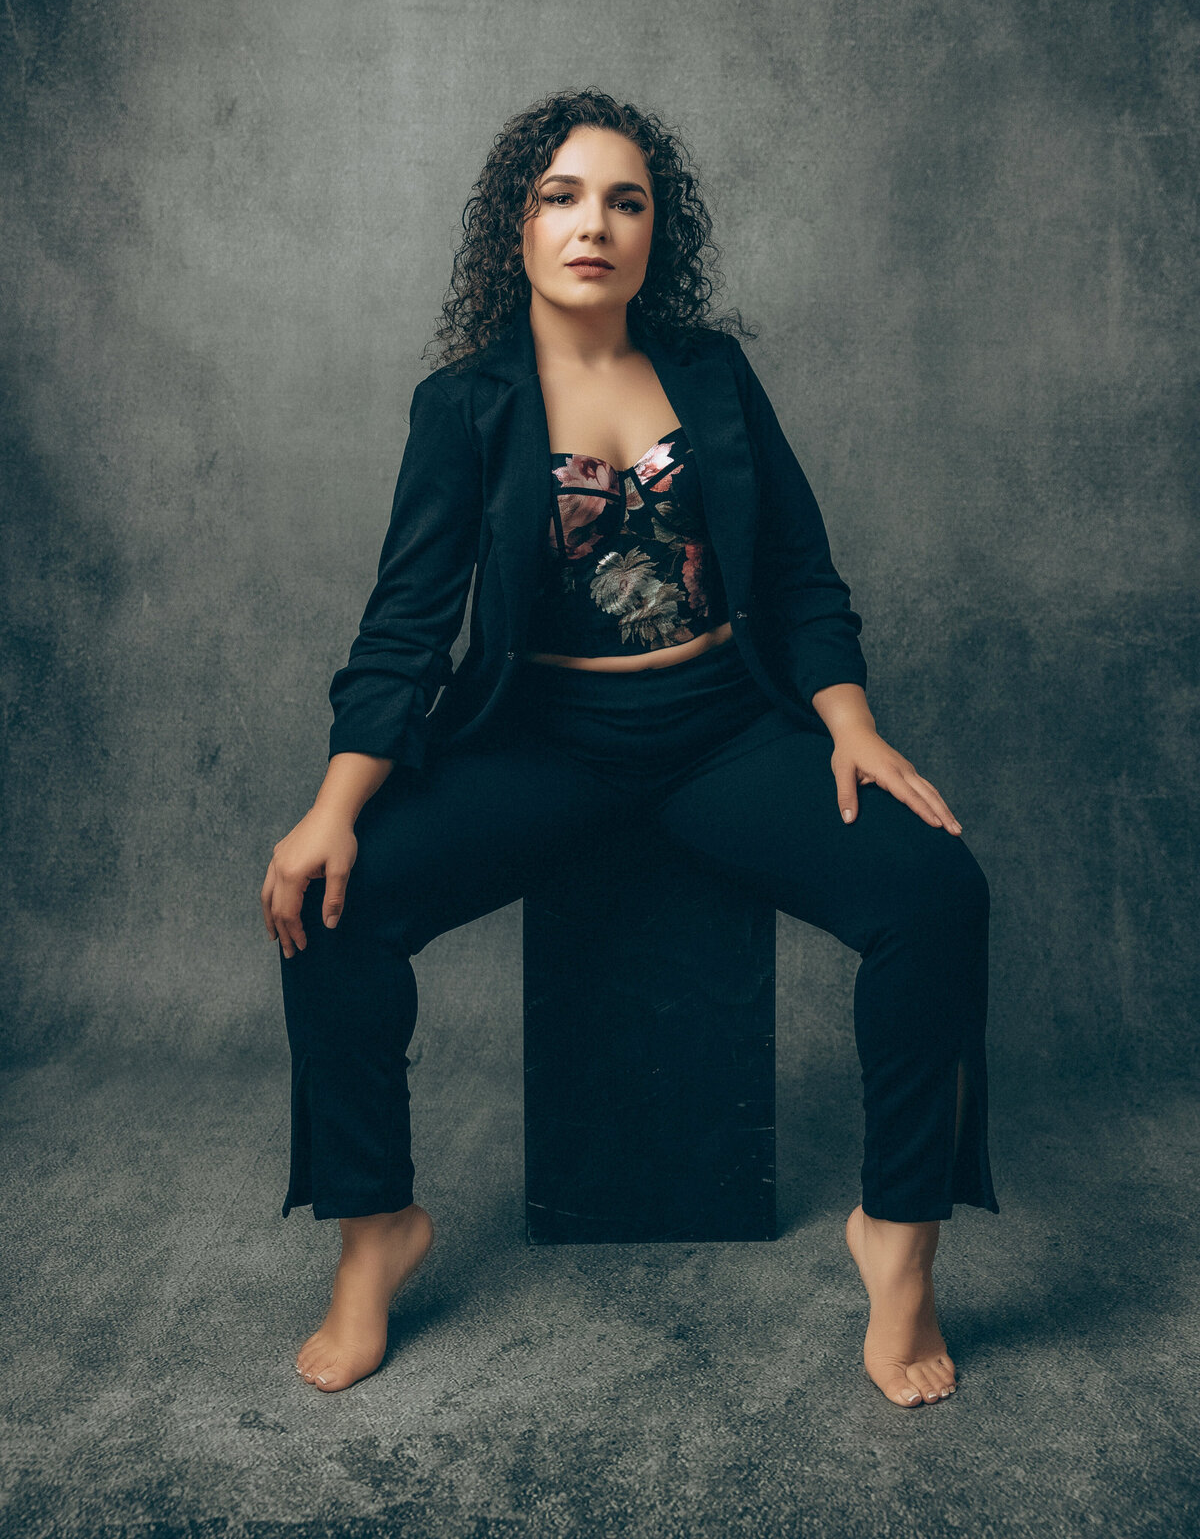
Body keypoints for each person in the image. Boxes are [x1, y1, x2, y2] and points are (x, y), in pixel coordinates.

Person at [260, 88, 1000, 1404]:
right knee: (332, 904)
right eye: (560, 197)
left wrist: (850, 724)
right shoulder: (465, 405)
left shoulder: (713, 375)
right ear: (517, 229)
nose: (592, 224)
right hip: (544, 744)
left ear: (660, 233)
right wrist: (333, 808)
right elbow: (406, 629)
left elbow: (803, 573)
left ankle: (900, 1243)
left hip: (724, 734)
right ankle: (375, 1231)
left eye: (624, 200)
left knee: (938, 888)